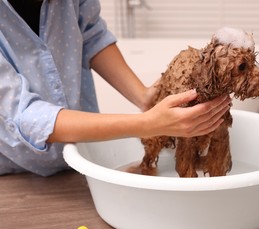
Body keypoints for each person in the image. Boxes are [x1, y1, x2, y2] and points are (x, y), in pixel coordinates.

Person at [0, 0, 231, 176]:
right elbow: (24, 113)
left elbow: (91, 35)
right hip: (18, 172)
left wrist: (145, 97)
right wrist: (148, 124)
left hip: (83, 157)